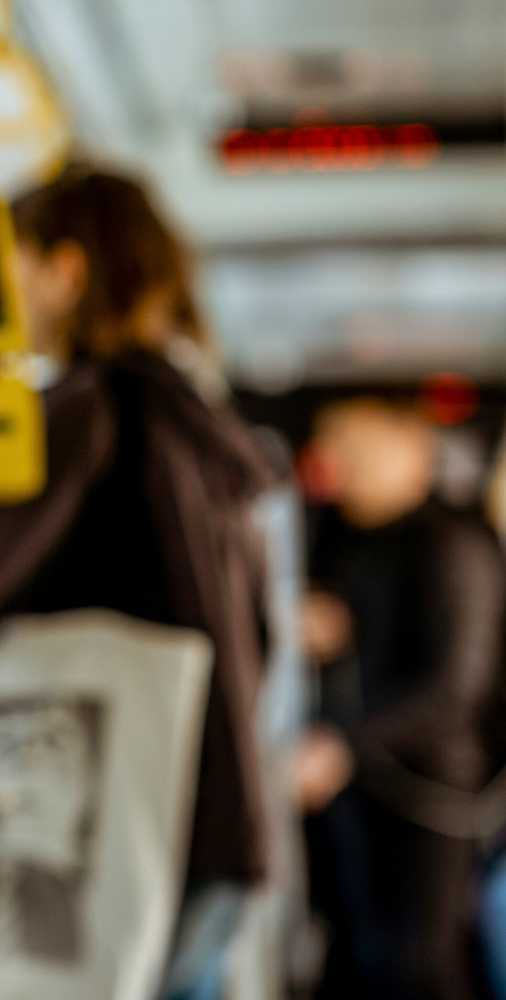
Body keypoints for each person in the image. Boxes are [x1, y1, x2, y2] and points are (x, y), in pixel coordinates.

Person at [0, 163, 276, 998]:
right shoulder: (203, 426)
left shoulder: (86, 410)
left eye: (13, 267)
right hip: (218, 818)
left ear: (66, 271)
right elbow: (261, 635)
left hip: (116, 821)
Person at [298, 397, 505, 1000]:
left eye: (356, 450)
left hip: (433, 792)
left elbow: (452, 689)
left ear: (408, 449)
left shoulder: (453, 544)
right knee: (363, 957)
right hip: (366, 788)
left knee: (423, 962)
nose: (341, 467)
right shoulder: (352, 539)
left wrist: (344, 745)